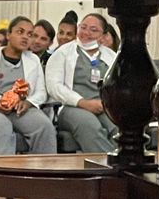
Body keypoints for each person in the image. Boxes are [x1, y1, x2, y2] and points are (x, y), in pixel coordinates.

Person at [0, 16, 56, 155]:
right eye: (20, 32)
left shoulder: (33, 60)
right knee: (1, 125)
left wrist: (28, 103)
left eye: (29, 34)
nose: (25, 37)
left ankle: (43, 168)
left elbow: (41, 92)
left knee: (44, 126)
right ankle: (4, 169)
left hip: (18, 110)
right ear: (8, 35)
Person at [46, 10, 117, 153]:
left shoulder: (111, 56)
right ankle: (109, 164)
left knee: (119, 127)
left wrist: (107, 103)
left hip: (103, 106)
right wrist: (82, 102)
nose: (86, 33)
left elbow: (119, 85)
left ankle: (123, 161)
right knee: (90, 126)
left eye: (93, 30)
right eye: (83, 27)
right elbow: (54, 86)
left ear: (103, 36)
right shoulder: (63, 53)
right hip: (72, 107)